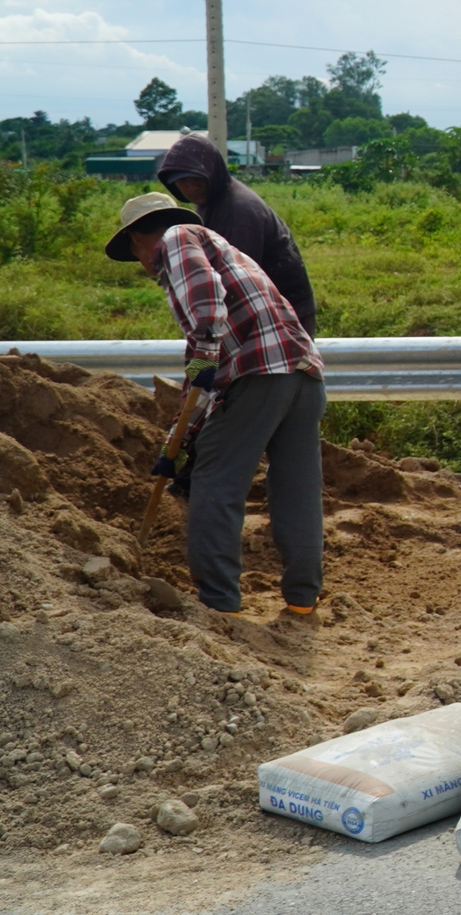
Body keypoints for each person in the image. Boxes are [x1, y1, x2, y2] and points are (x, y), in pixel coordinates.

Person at [105, 193, 327, 625]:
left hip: (258, 374)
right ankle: (302, 600)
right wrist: (178, 443)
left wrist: (205, 351)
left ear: (137, 239)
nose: (142, 265)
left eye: (134, 253)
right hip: (302, 374)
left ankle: (218, 602)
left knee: (215, 482)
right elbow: (200, 380)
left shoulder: (177, 236)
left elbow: (207, 323)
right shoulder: (224, 252)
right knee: (297, 490)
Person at [156, 133, 319, 335]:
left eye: (196, 179)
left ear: (212, 172)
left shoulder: (238, 212)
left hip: (285, 315)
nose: (191, 187)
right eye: (182, 182)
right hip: (263, 307)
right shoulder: (210, 201)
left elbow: (236, 282)